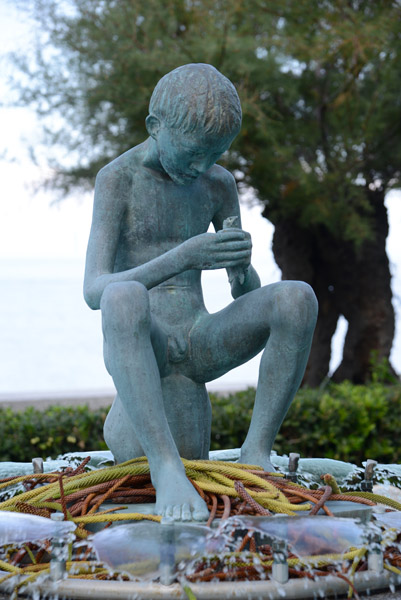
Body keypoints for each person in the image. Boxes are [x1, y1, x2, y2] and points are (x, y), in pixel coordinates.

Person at [84, 63, 318, 521]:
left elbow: (242, 295)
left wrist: (241, 269)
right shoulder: (118, 179)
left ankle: (256, 451)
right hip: (142, 339)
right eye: (194, 153)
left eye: (216, 154)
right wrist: (185, 256)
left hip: (199, 338)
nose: (203, 166)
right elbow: (95, 291)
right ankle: (164, 464)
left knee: (297, 297)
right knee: (122, 296)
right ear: (156, 127)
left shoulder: (218, 184)